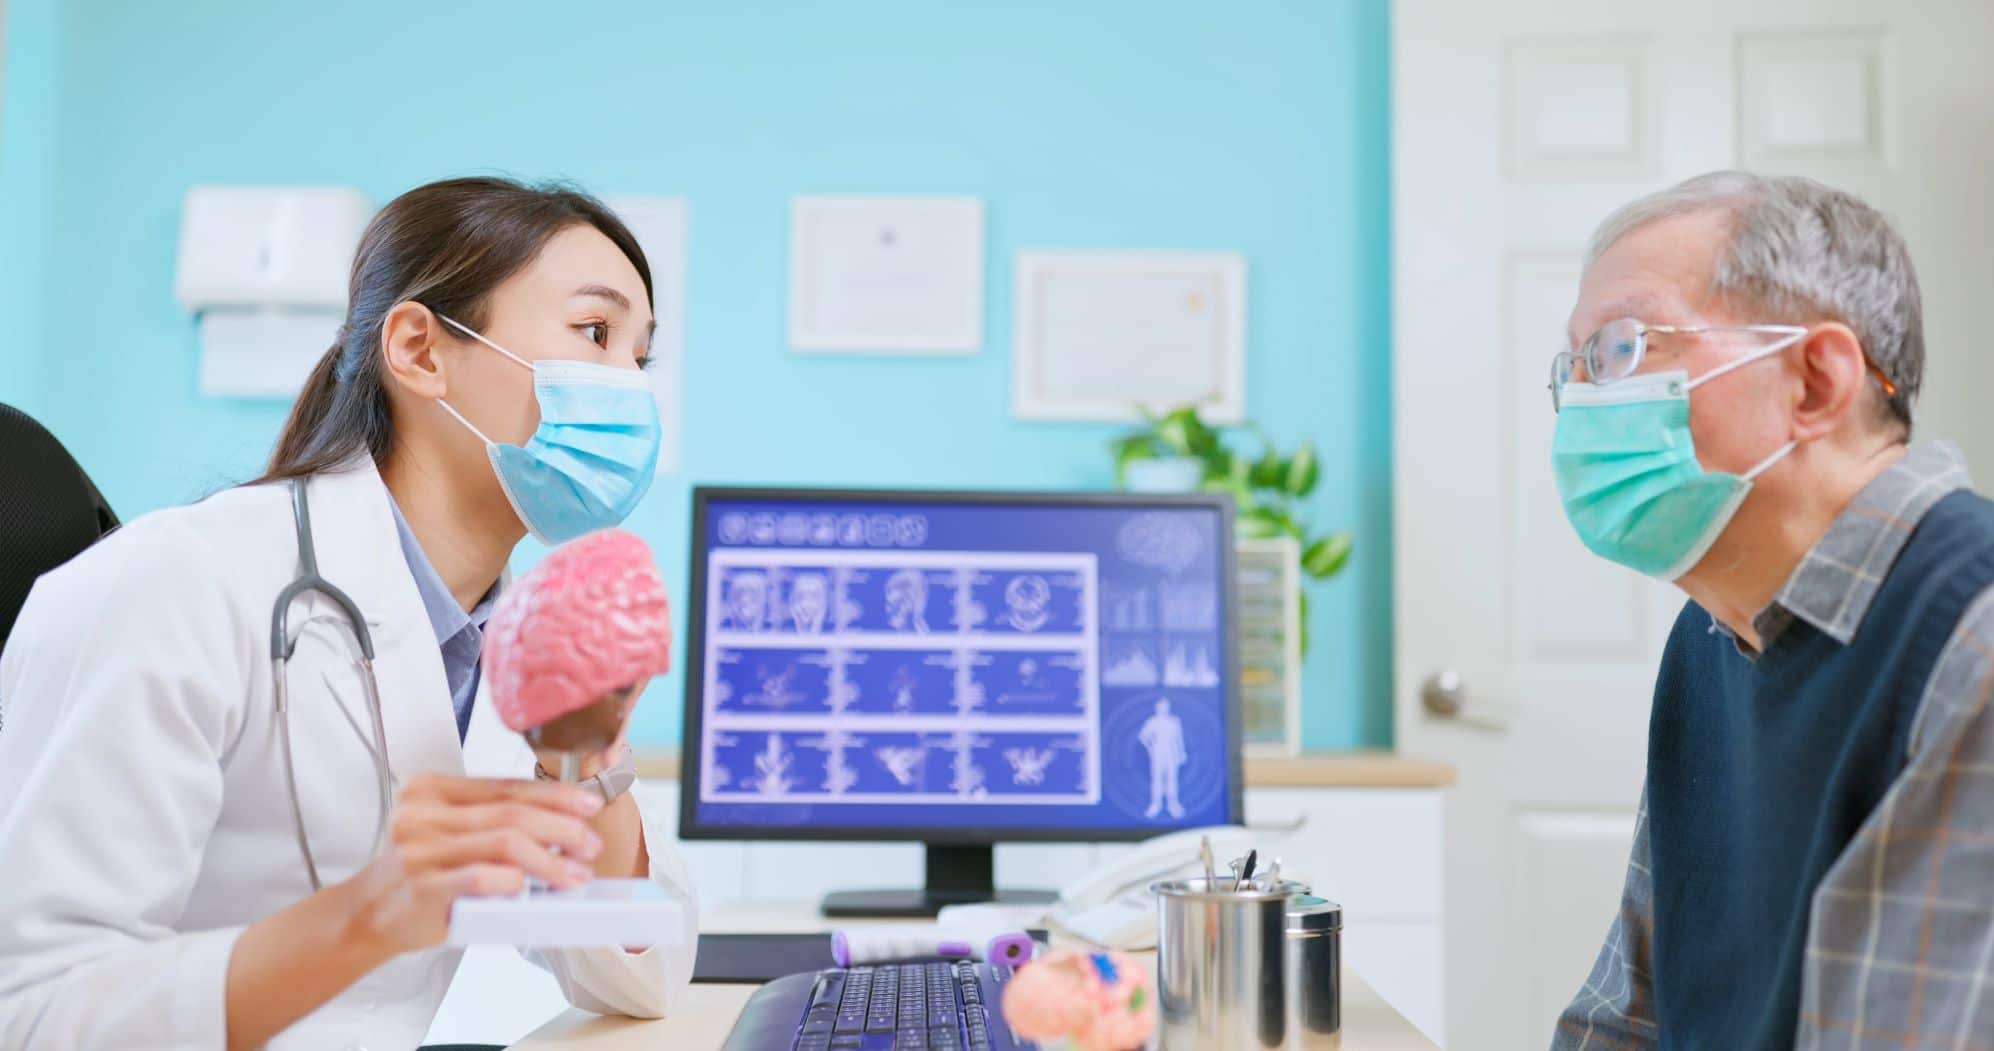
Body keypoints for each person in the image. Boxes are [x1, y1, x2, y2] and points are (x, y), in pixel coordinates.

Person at [0, 177, 697, 1049]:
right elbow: (27, 1012)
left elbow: (642, 971)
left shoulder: (495, 644)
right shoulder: (177, 583)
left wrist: (586, 753)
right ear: (418, 349)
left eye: (642, 356)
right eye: (594, 334)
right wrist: (366, 915)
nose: (629, 388)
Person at [1548, 172, 1994, 1047]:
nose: (1584, 401)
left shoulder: (1970, 632)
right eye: (1575, 366)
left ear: (1816, 381)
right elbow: (1622, 1021)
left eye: (1622, 347)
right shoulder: (1714, 637)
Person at [1138, 698, 1186, 819]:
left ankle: (1173, 805)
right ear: (1157, 708)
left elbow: (1178, 739)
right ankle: (1155, 805)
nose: (1163, 708)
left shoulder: (1174, 721)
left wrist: (1181, 753)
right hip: (1157, 753)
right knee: (1157, 780)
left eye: (1165, 706)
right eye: (1161, 706)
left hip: (1171, 753)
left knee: (1172, 780)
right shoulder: (1152, 722)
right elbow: (1143, 736)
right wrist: (1150, 749)